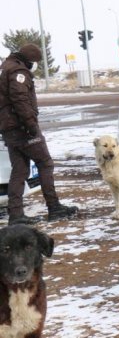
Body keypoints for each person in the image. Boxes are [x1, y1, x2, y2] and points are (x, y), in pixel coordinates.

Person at [0, 43, 79, 225]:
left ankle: (16, 214)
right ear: (29, 60)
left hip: (9, 128)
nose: (35, 65)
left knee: (19, 171)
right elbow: (20, 100)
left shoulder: (5, 67)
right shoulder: (19, 72)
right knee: (45, 163)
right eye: (35, 62)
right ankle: (54, 207)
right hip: (22, 128)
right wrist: (31, 126)